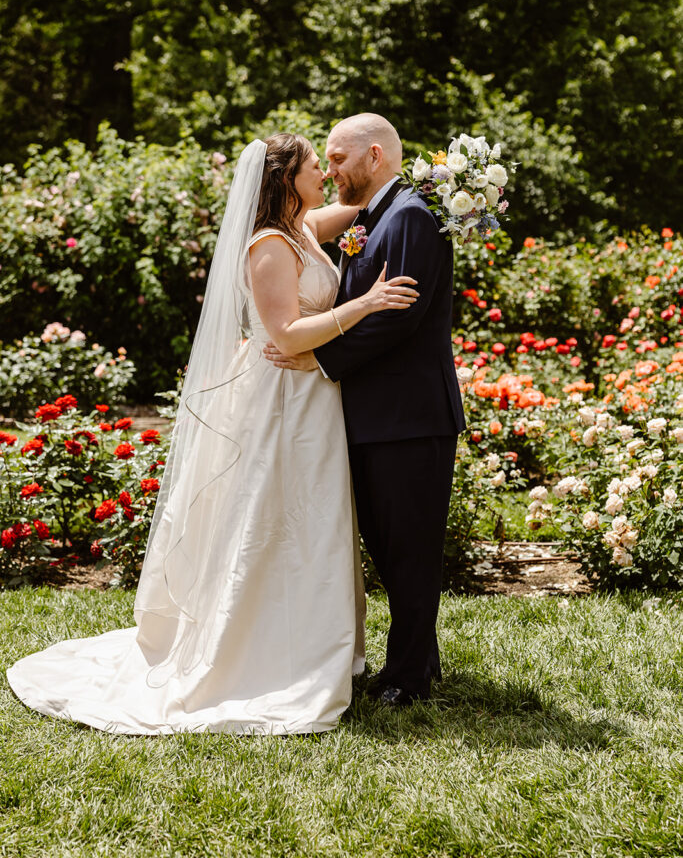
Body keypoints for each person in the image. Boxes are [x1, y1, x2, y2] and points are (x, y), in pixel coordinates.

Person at [6, 134, 418, 735]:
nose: (324, 176)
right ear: (285, 180)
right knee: (268, 519)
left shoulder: (304, 228)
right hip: (279, 400)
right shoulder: (269, 246)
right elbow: (286, 335)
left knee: (311, 520)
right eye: (313, 168)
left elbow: (363, 207)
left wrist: (433, 185)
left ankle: (313, 643)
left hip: (311, 401)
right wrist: (368, 303)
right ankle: (261, 653)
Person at [265, 114, 466, 706]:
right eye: (322, 162)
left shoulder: (408, 216)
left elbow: (397, 316)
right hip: (378, 416)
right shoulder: (376, 214)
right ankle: (418, 659)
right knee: (389, 544)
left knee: (409, 547)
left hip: (409, 417)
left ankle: (405, 677)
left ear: (373, 156)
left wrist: (322, 361)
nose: (330, 171)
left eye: (337, 159)